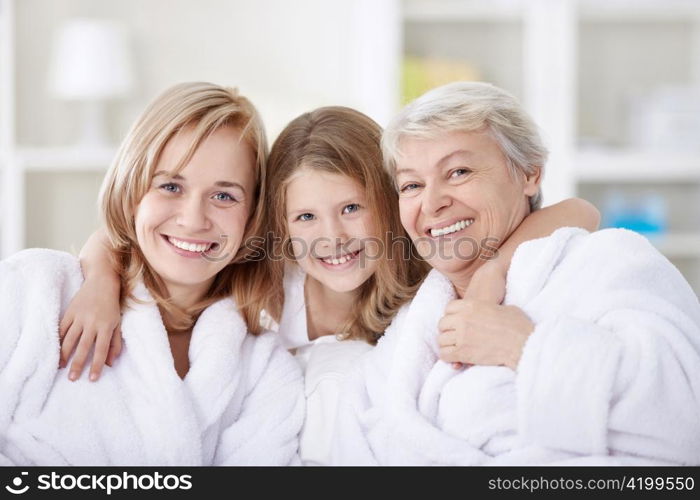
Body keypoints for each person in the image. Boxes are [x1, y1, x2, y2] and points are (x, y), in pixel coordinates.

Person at [58, 105, 599, 465]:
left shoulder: (420, 267)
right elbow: (121, 232)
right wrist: (99, 282)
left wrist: (489, 276)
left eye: (351, 208)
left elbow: (581, 210)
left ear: (386, 205)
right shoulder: (264, 278)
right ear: (277, 223)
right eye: (306, 218)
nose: (333, 238)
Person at [332, 81, 700, 465]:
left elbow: (685, 419)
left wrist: (523, 346)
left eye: (458, 171)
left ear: (529, 174)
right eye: (411, 184)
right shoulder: (409, 330)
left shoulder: (610, 262)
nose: (432, 202)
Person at [0, 82, 304, 465]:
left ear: (253, 214)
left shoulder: (262, 368)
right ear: (132, 190)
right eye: (171, 186)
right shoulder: (33, 292)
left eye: (224, 195)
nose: (193, 220)